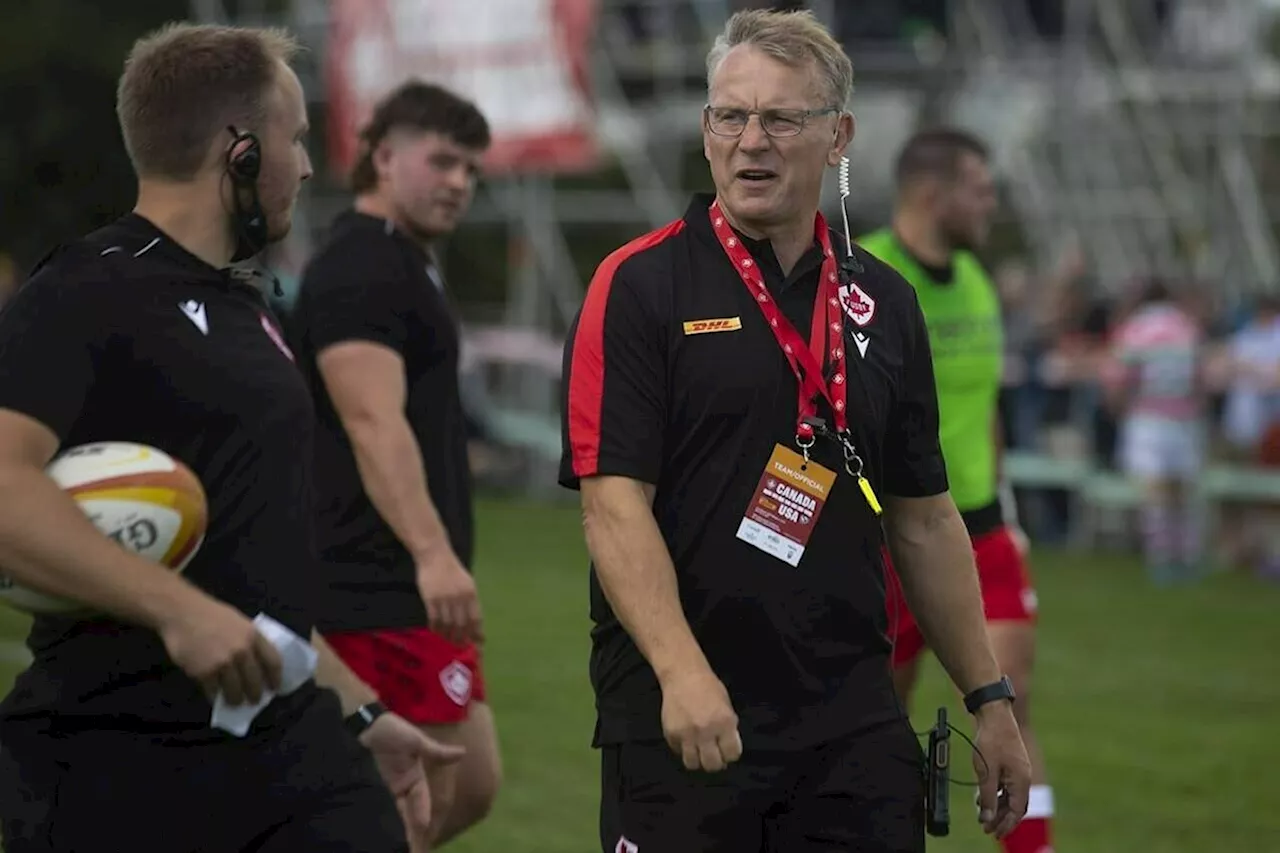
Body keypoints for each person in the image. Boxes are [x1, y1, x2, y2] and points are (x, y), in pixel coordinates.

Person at [558, 10, 1031, 853]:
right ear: (706, 131)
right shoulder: (637, 285)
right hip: (685, 719)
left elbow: (923, 517)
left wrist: (989, 699)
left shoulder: (884, 301)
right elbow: (612, 507)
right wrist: (681, 671)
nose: (751, 141)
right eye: (729, 116)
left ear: (838, 136)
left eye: (781, 118)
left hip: (849, 724)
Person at [0, 23, 462, 853]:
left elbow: (257, 578)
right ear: (239, 151)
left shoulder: (251, 309)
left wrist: (359, 708)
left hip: (289, 751)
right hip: (112, 763)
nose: (311, 165)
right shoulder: (85, 287)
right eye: (296, 139)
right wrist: (176, 610)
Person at [289, 80, 501, 850]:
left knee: (464, 784)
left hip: (399, 583)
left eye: (471, 170)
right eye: (442, 161)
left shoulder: (400, 261)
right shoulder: (363, 269)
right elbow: (371, 419)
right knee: (416, 796)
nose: (459, 183)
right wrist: (433, 554)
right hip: (373, 582)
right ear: (382, 156)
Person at [857, 128, 1056, 853]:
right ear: (933, 195)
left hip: (984, 532)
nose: (992, 203)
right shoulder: (861, 272)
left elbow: (986, 409)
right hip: (891, 539)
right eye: (980, 188)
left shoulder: (977, 282)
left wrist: (1007, 505)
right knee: (879, 721)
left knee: (1011, 702)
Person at [1102, 276, 1207, 583]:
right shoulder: (1186, 327)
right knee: (1182, 490)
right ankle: (1188, 556)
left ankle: (1161, 558)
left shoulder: (1135, 329)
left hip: (1148, 416)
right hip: (1185, 417)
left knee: (1154, 491)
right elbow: (1201, 378)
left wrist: (1117, 408)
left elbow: (1118, 375)